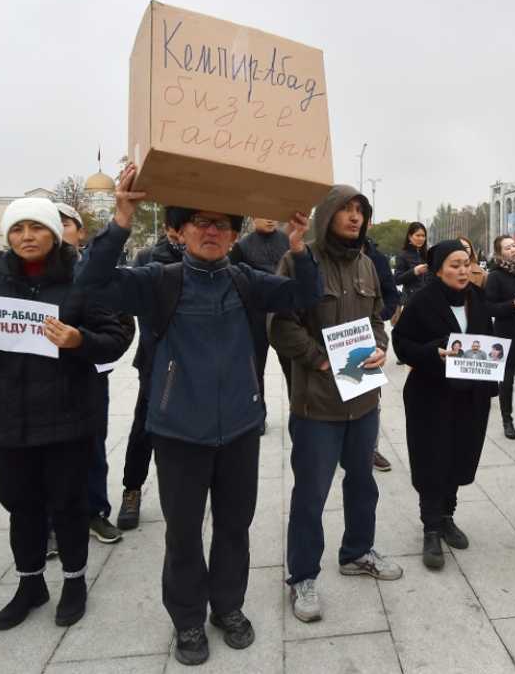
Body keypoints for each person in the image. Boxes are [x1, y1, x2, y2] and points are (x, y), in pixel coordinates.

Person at [76, 162, 322, 666]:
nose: (212, 231)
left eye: (223, 225)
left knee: (235, 527)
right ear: (181, 230)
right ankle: (188, 619)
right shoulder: (156, 281)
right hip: (178, 430)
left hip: (239, 428)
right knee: (183, 533)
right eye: (201, 223)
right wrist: (121, 218)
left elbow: (304, 294)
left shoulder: (246, 281)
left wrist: (299, 246)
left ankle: (227, 608)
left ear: (234, 236)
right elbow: (91, 283)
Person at [0, 198, 129, 630]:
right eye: (17, 229)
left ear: (54, 232)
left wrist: (77, 340)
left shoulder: (83, 282)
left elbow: (117, 335)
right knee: (20, 505)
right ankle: (30, 583)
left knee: (68, 505)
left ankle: (73, 581)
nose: (26, 237)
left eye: (36, 228)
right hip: (8, 418)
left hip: (67, 415)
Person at [268, 185, 402, 625]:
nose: (354, 216)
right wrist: (317, 359)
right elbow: (280, 325)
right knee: (311, 493)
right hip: (317, 403)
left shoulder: (366, 264)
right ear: (326, 214)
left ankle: (357, 551)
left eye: (360, 210)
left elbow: (377, 319)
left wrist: (380, 347)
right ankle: (302, 575)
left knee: (362, 482)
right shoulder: (298, 260)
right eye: (345, 209)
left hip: (363, 397)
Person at [392, 240, 496, 570]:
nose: (463, 270)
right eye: (454, 264)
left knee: (459, 456)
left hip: (470, 394)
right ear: (438, 269)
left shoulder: (477, 297)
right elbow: (402, 344)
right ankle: (431, 528)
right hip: (431, 395)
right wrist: (432, 351)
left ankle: (448, 515)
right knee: (432, 459)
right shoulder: (423, 301)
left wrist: (492, 374)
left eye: (466, 263)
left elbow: (489, 340)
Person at [56, 202, 133, 545]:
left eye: (63, 224)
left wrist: (88, 344)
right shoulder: (12, 276)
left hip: (87, 373)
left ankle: (94, 512)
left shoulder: (96, 272)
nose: (55, 231)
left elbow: (121, 324)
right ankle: (51, 521)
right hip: (36, 381)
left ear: (80, 232)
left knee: (91, 445)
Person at [117, 219, 185, 531]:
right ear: (170, 227)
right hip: (157, 359)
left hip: (199, 361)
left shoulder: (209, 258)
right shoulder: (147, 258)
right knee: (144, 428)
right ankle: (132, 490)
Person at [230, 217, 291, 397]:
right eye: (264, 214)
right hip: (255, 318)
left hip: (285, 316)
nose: (270, 219)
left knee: (292, 369)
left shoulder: (287, 241)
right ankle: (257, 414)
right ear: (254, 217)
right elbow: (232, 280)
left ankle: (298, 413)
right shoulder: (242, 246)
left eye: (273, 214)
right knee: (255, 370)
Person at [363, 235, 399, 472]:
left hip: (364, 337)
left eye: (360, 213)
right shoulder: (315, 256)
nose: (354, 218)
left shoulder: (375, 259)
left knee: (370, 399)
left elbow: (390, 295)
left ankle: (369, 449)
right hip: (327, 342)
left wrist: (378, 318)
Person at [393, 222, 430, 306]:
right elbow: (396, 280)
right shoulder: (403, 255)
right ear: (410, 236)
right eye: (418, 235)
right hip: (411, 302)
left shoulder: (428, 255)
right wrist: (414, 272)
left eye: (423, 236)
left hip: (428, 301)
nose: (421, 238)